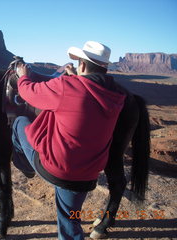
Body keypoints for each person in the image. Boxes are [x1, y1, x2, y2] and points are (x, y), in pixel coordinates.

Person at [11, 41, 126, 240]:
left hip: (59, 169)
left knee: (19, 122)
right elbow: (87, 97)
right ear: (104, 67)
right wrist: (77, 78)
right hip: (88, 173)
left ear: (82, 65)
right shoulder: (115, 95)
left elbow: (29, 93)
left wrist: (23, 77)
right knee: (71, 219)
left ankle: (26, 166)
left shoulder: (66, 87)